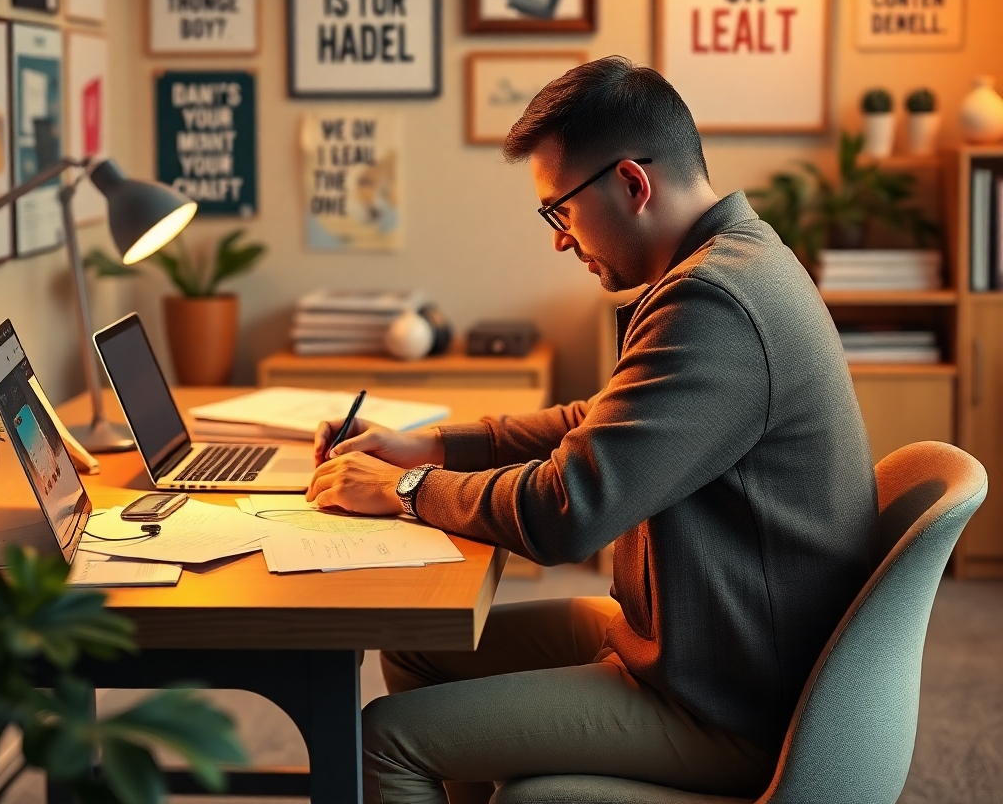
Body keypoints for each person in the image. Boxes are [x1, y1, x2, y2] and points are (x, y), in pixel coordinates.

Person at [307, 57, 877, 804]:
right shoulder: (735, 259)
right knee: (425, 648)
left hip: (727, 703)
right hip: (687, 641)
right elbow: (602, 420)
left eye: (559, 212)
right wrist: (437, 445)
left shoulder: (712, 300)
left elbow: (565, 513)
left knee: (385, 740)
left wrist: (405, 489)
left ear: (633, 185)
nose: (558, 240)